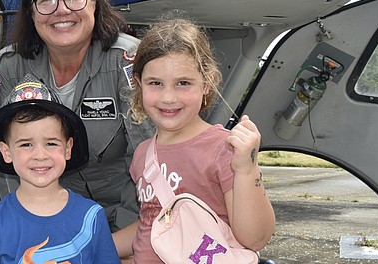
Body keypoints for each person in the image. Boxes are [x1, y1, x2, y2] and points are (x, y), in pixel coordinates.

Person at [0, 0, 155, 237]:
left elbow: (147, 159)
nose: (61, 10)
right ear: (31, 12)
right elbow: (5, 165)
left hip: (127, 222)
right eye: (46, 0)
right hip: (47, 224)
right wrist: (29, 231)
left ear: (94, 3)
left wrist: (116, 241)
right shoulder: (9, 67)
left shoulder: (128, 62)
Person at [115, 18, 275, 262]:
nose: (168, 97)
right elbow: (152, 224)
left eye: (183, 83)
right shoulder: (143, 154)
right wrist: (88, 246)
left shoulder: (224, 150)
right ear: (139, 84)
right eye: (155, 83)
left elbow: (255, 238)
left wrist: (246, 169)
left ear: (207, 83)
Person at [0, 77, 120, 263]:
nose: (40, 155)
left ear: (68, 148)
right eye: (26, 144)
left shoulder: (92, 215)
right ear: (6, 152)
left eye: (51, 143)